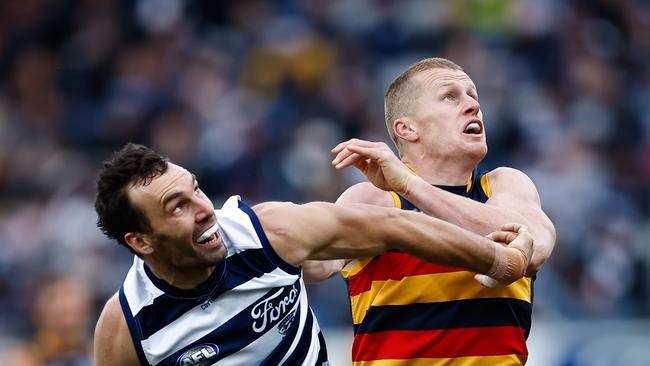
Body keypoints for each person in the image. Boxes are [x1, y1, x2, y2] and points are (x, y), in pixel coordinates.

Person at [92, 143, 533, 366]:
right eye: (178, 208)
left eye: (196, 189)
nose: (204, 209)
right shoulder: (126, 327)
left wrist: (497, 261)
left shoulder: (266, 232)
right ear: (141, 241)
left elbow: (396, 227)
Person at [307, 58, 557, 365]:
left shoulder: (506, 185)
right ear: (407, 128)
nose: (472, 105)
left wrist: (412, 186)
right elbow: (314, 265)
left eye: (473, 95)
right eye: (450, 97)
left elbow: (532, 246)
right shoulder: (375, 199)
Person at [0, 275, 93, 366]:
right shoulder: (24, 358)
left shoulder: (97, 351)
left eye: (71, 294)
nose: (66, 304)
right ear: (38, 313)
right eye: (54, 296)